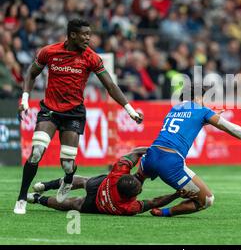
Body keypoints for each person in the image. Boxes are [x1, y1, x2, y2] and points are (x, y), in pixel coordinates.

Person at [14, 18, 144, 215]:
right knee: (37, 151)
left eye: (89, 35)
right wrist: (24, 98)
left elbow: (110, 85)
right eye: (84, 35)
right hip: (50, 109)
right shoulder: (49, 52)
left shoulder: (91, 57)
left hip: (73, 113)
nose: (88, 38)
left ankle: (67, 180)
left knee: (67, 164)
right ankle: (22, 197)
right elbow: (31, 73)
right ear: (72, 35)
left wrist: (130, 110)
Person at [136, 85, 241, 217]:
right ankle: (165, 212)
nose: (205, 103)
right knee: (207, 200)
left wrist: (207, 117)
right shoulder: (202, 110)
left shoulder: (174, 109)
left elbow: (187, 123)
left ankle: (126, 203)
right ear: (197, 97)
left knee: (136, 180)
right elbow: (231, 128)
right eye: (203, 99)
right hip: (171, 162)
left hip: (151, 155)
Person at [26, 147, 192, 215]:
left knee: (84, 180)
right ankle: (37, 199)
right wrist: (176, 194)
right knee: (72, 204)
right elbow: (154, 202)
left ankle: (46, 185)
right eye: (139, 190)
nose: (141, 190)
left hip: (100, 185)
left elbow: (134, 153)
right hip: (96, 205)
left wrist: (148, 150)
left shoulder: (118, 173)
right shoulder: (128, 207)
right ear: (131, 195)